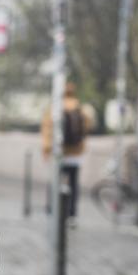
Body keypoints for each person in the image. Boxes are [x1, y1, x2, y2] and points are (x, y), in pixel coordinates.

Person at [41, 81, 96, 224]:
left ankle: (52, 209)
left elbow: (47, 130)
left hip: (59, 153)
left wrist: (46, 150)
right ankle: (72, 214)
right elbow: (88, 126)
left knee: (55, 182)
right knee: (73, 183)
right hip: (76, 154)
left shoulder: (55, 108)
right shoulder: (80, 107)